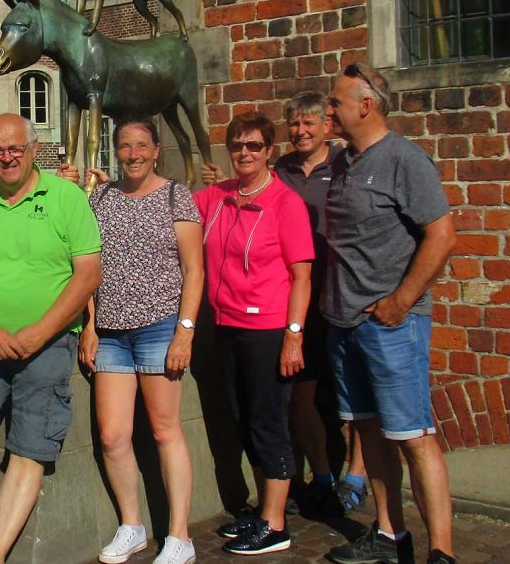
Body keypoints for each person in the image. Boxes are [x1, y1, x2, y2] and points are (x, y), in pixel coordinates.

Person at [0, 113, 102, 564]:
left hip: (48, 344)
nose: (6, 158)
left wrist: (40, 332)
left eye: (15, 149)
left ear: (33, 151)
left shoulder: (66, 198)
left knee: (30, 444)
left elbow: (87, 274)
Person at [323, 64, 457, 564]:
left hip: (390, 326)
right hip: (344, 322)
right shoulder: (342, 163)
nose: (328, 110)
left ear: (367, 105)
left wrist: (401, 301)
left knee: (414, 437)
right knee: (370, 430)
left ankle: (440, 552)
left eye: (336, 103)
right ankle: (388, 534)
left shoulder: (405, 160)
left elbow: (441, 236)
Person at [59, 118, 203, 564]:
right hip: (113, 332)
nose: (134, 154)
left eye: (142, 145)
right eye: (125, 146)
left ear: (156, 150)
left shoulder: (177, 196)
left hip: (161, 326)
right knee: (112, 435)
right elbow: (89, 266)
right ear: (114, 151)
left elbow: (194, 270)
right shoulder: (102, 197)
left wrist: (185, 331)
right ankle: (132, 524)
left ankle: (179, 535)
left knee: (164, 429)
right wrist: (91, 323)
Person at [194, 111, 313, 556]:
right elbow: (168, 204)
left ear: (270, 152)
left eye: (254, 147)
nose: (245, 153)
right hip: (225, 325)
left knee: (268, 422)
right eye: (238, 145)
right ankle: (265, 510)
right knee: (243, 420)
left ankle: (276, 524)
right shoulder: (218, 196)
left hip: (267, 329)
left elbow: (301, 276)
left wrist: (294, 335)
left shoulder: (286, 203)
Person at [272, 92, 351, 517]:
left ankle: (353, 475)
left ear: (326, 126)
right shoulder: (280, 169)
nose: (301, 131)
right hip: (293, 299)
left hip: (336, 294)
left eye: (309, 124)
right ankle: (318, 479)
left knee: (347, 395)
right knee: (299, 397)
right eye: (294, 124)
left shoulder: (342, 165)